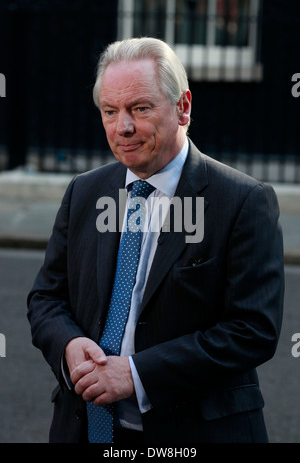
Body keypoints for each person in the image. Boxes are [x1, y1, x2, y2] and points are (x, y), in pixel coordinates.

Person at [27, 37, 284, 444]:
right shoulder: (85, 192)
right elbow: (46, 297)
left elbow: (253, 330)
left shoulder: (242, 202)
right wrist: (70, 345)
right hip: (87, 429)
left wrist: (136, 374)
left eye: (139, 109)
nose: (122, 127)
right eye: (110, 111)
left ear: (183, 107)